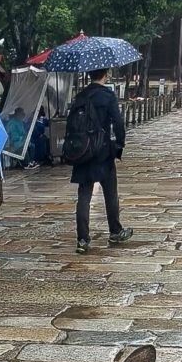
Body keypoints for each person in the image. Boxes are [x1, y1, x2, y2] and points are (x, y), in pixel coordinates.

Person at [69, 68, 132, 255]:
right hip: (103, 151)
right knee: (110, 192)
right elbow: (118, 123)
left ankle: (82, 238)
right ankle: (115, 231)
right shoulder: (107, 95)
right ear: (105, 74)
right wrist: (119, 144)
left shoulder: (80, 96)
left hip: (82, 151)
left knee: (84, 196)